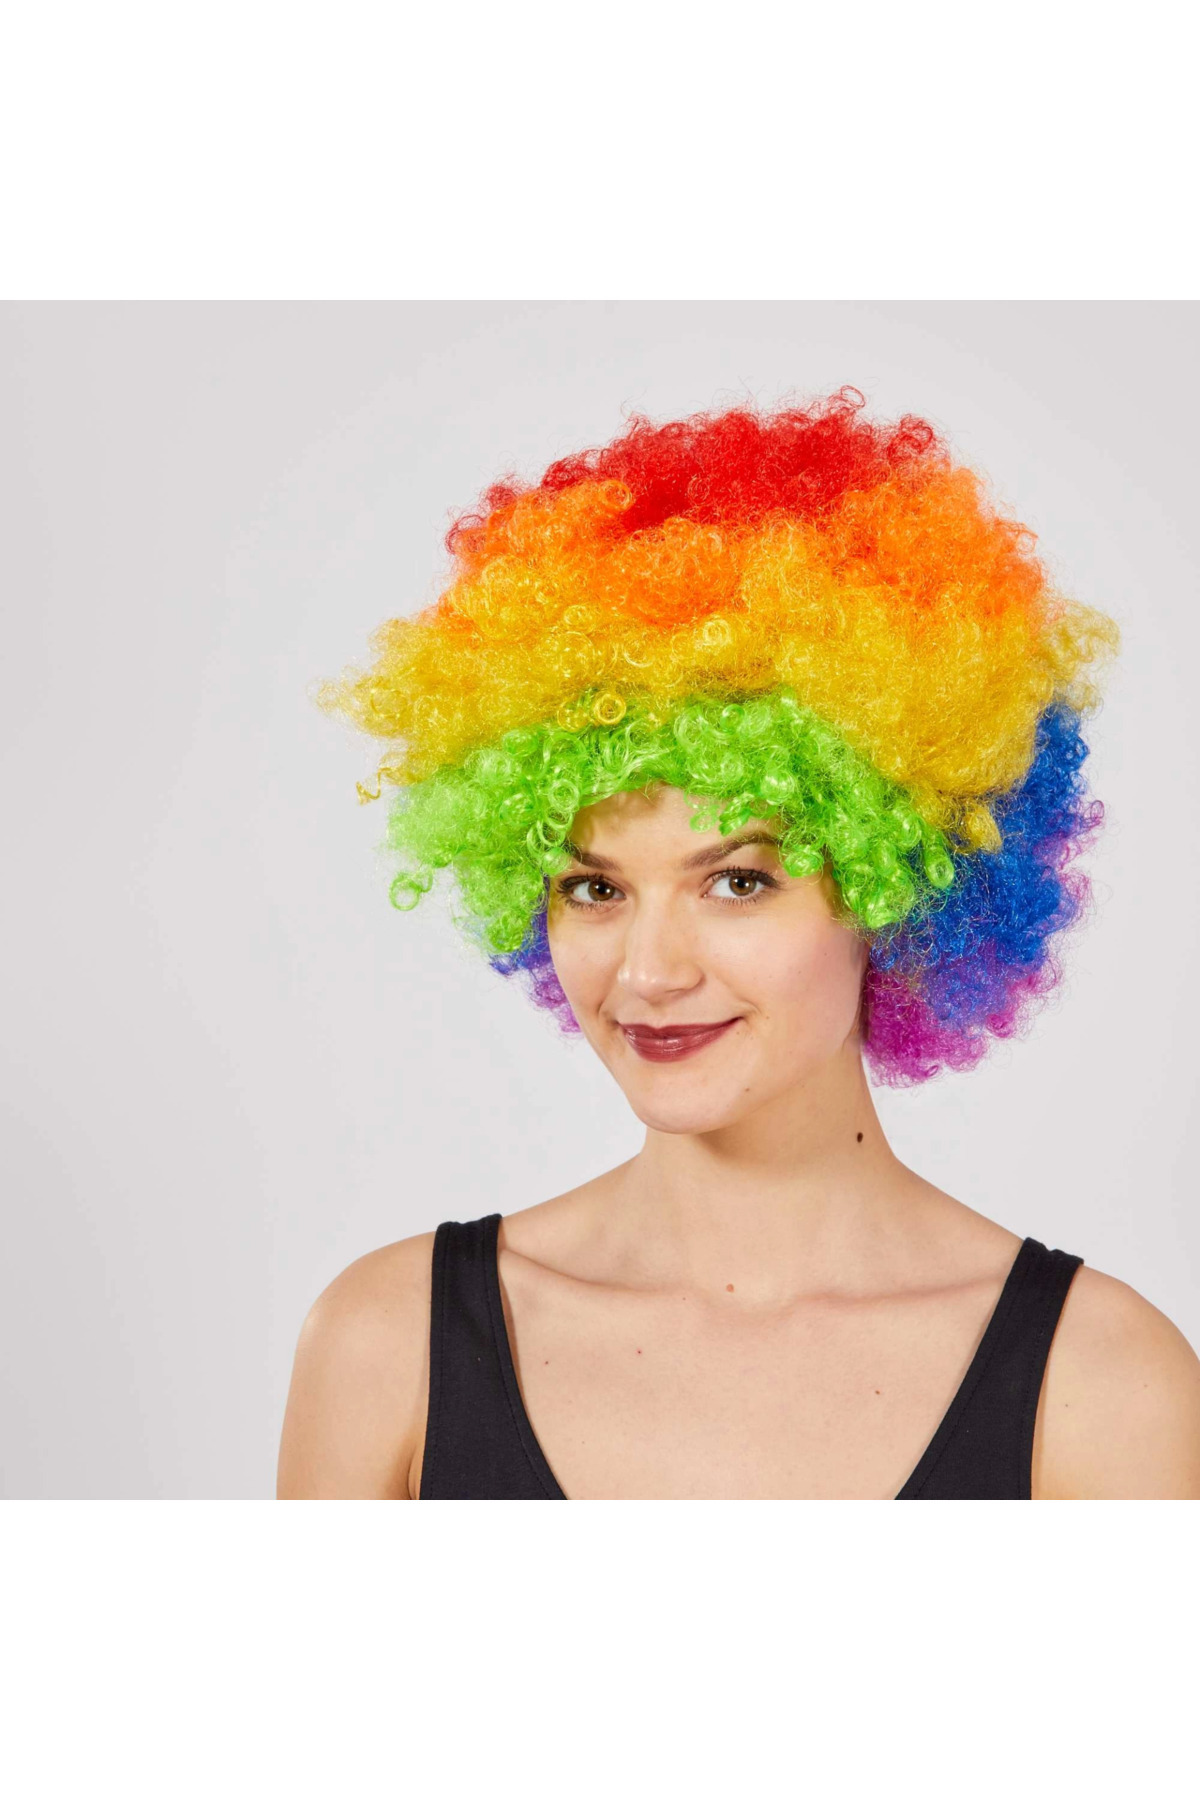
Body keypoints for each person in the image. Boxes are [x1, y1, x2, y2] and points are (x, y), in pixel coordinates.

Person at [277, 387, 1200, 1499]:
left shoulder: (1104, 1388)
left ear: (902, 886)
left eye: (738, 881)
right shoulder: (386, 1348)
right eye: (594, 888)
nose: (649, 971)